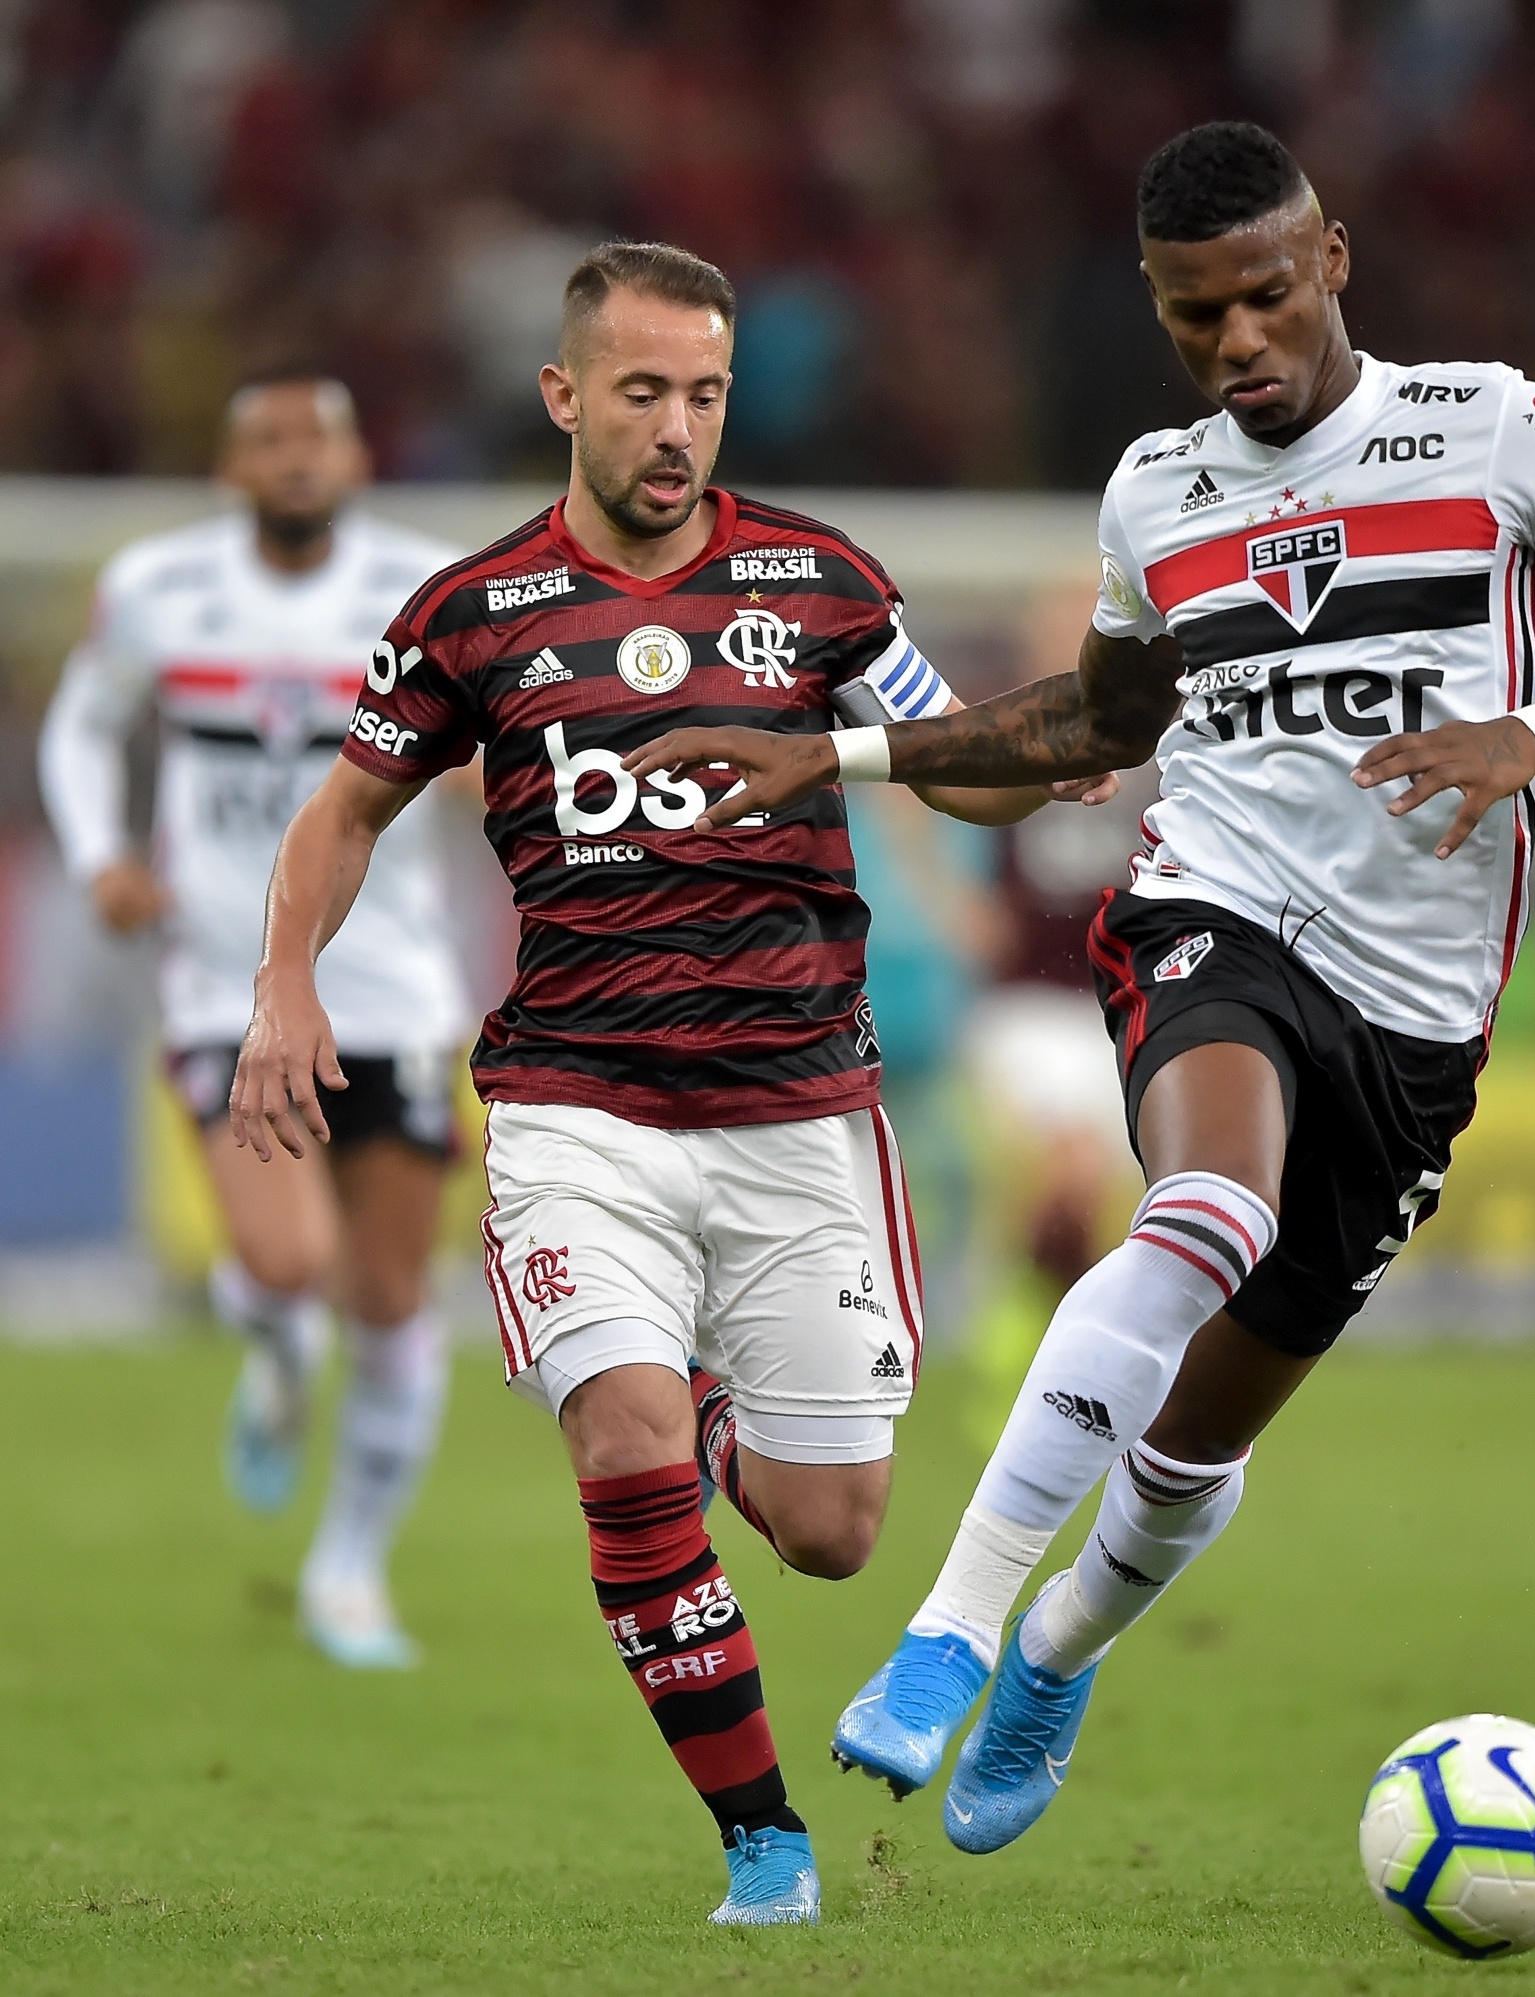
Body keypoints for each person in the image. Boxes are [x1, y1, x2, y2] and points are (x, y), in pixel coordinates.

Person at [623, 121, 1535, 1853]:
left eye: (1264, 296)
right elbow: (1097, 723)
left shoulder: (1504, 430)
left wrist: (1527, 731)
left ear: (1335, 261)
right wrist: (829, 756)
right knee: (1203, 1205)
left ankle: (1060, 1650)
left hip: (1418, 1018)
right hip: (1214, 911)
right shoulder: (1158, 488)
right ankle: (951, 1627)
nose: (1236, 344)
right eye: (1191, 315)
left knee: (1193, 1448)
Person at [226, 242, 1109, 1925]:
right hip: (579, 1109)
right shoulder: (470, 614)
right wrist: (285, 982)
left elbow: (952, 762)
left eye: (702, 395)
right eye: (642, 393)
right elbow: (344, 809)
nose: (675, 429)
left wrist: (1045, 770)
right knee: (621, 1454)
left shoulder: (823, 582)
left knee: (833, 1527)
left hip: (800, 1115)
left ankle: (712, 1408)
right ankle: (762, 1838)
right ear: (565, 395)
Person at [38, 375, 468, 1669]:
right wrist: (100, 855)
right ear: (232, 470)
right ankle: (278, 1356)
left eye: (318, 439)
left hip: (392, 988)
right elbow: (81, 724)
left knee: (392, 1299)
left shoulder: (425, 590)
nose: (295, 460)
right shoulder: (160, 589)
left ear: (355, 462)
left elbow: (508, 730)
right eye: (269, 441)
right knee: (285, 1264)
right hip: (224, 984)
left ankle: (350, 1569)